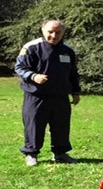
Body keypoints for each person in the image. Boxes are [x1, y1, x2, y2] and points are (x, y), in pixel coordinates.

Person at [15, 20, 81, 166]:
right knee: (34, 126)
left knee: (61, 126)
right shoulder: (31, 47)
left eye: (58, 32)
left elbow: (73, 73)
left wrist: (75, 91)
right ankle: (31, 154)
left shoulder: (68, 51)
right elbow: (19, 67)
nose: (54, 35)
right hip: (36, 95)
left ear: (63, 32)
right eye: (50, 31)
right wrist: (34, 76)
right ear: (42, 30)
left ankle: (60, 153)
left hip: (60, 96)